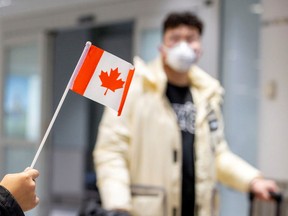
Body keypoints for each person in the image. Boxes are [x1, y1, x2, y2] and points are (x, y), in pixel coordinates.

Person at [93, 11, 278, 216]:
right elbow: (111, 152)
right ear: (161, 47)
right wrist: (118, 205)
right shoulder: (131, 88)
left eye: (190, 39)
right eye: (174, 39)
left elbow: (216, 155)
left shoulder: (207, 95)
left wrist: (252, 180)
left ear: (199, 48)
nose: (183, 45)